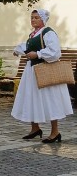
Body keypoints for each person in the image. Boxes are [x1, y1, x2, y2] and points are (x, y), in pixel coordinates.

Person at [12, 8, 71, 143]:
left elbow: (55, 52)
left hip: (45, 71)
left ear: (43, 19)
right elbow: (27, 47)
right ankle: (35, 128)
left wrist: (38, 54)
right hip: (32, 71)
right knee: (31, 98)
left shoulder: (48, 33)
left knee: (49, 100)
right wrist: (18, 50)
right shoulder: (33, 34)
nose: (33, 20)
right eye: (32, 17)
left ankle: (55, 132)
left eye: (36, 17)